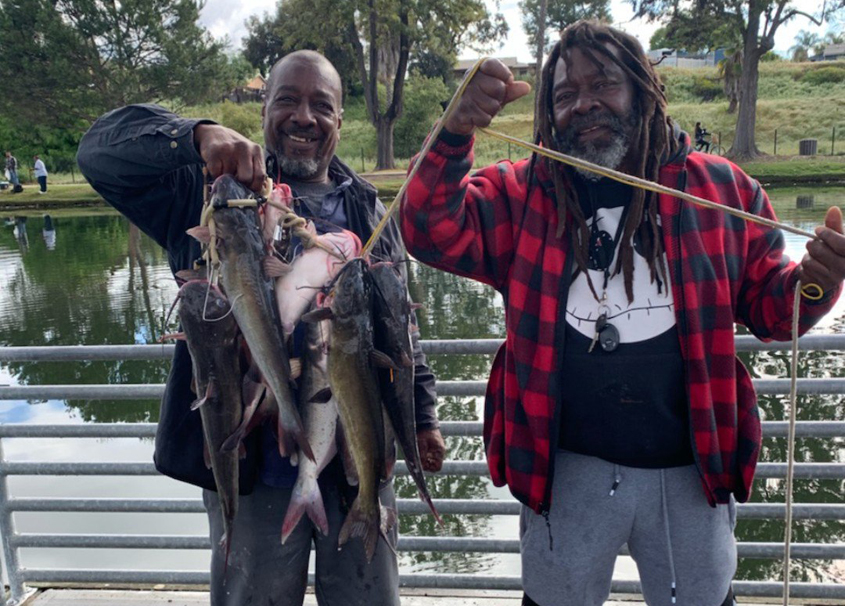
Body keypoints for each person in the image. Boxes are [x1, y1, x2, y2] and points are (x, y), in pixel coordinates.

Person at [399, 20, 845, 606]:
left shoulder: (722, 192)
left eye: (604, 84)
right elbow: (429, 228)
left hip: (690, 472)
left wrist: (819, 282)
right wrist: (454, 134)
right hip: (566, 470)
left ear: (642, 88)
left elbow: (772, 310)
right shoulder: (523, 193)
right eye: (564, 94)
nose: (584, 104)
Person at [77, 49, 446, 606]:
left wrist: (422, 416)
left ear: (341, 121)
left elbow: (403, 331)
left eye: (321, 105)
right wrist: (195, 135)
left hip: (360, 463)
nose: (304, 117)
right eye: (287, 101)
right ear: (264, 111)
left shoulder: (372, 213)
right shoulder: (211, 197)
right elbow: (98, 152)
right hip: (254, 473)